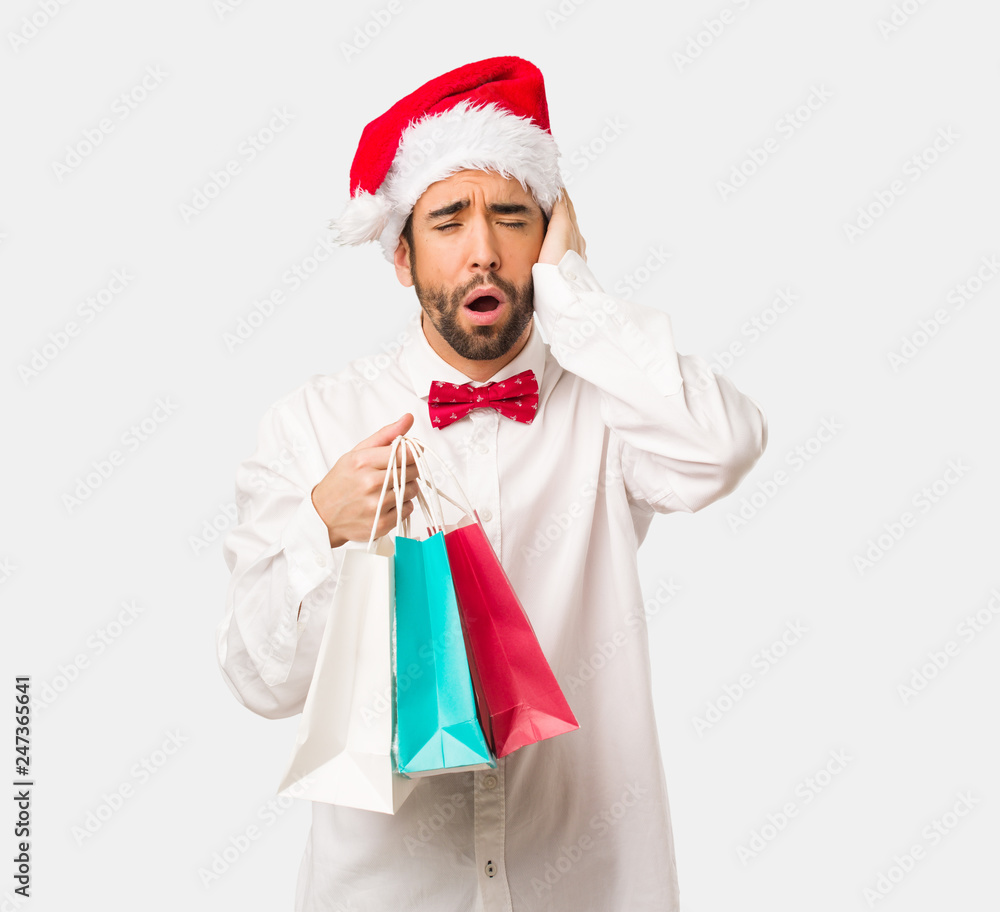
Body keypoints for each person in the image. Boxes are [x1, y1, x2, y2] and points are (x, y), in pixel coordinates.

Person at [216, 55, 768, 912]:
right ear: (400, 257)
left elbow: (723, 449)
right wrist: (323, 528)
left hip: (588, 887)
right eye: (448, 221)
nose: (482, 250)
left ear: (546, 239)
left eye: (511, 216)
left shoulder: (608, 408)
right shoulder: (312, 423)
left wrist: (573, 295)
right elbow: (261, 683)